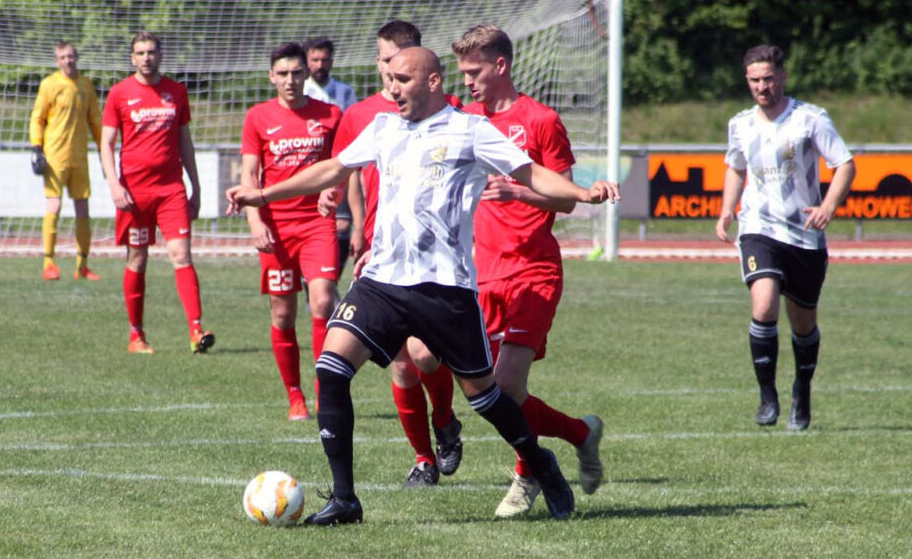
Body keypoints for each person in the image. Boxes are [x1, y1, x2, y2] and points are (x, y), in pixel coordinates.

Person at [226, 47, 621, 525]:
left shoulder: (470, 130)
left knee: (487, 397)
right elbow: (333, 168)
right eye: (389, 78)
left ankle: (541, 463)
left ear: (432, 81)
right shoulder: (383, 127)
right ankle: (346, 500)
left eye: (403, 79)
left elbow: (531, 173)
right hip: (382, 282)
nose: (392, 88)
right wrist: (263, 193)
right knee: (331, 369)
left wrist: (582, 193)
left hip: (445, 291)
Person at [453, 24, 605, 517]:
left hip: (533, 270)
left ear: (500, 66)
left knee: (505, 385)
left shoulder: (540, 120)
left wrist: (519, 191)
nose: (467, 80)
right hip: (482, 273)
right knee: (492, 393)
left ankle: (528, 473)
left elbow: (565, 199)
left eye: (474, 71)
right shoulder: (463, 121)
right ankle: (580, 433)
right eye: (462, 72)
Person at [331, 20, 465, 487]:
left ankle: (445, 420)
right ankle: (424, 459)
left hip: (431, 259)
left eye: (397, 62)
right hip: (380, 254)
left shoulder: (447, 112)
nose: (389, 71)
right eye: (384, 61)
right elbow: (346, 169)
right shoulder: (362, 114)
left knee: (426, 356)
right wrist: (354, 223)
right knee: (402, 362)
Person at [715, 44, 855, 431]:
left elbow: (845, 164)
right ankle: (767, 397)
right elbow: (735, 168)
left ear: (783, 77)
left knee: (803, 324)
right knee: (763, 306)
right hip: (758, 228)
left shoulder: (811, 118)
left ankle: (801, 391)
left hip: (805, 235)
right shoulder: (740, 124)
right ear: (747, 80)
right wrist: (727, 209)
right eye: (755, 80)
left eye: (768, 78)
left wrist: (828, 206)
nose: (762, 87)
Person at [240, 42, 344, 421]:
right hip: (276, 229)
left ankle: (322, 390)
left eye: (296, 73)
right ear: (272, 76)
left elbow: (343, 165)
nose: (290, 80)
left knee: (323, 301)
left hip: (317, 224)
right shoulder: (257, 117)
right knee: (283, 314)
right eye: (282, 74)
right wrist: (255, 223)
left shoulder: (330, 114)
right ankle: (295, 395)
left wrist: (334, 192)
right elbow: (250, 174)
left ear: (306, 74)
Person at [100, 31, 215, 355]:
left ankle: (196, 330)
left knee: (181, 254)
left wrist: (196, 187)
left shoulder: (176, 92)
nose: (146, 57)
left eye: (151, 52)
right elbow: (106, 143)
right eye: (140, 52)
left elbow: (185, 142)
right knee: (138, 258)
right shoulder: (120, 93)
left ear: (160, 55)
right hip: (134, 194)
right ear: (132, 58)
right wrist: (114, 184)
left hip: (171, 190)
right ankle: (136, 336)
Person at [29, 40, 103, 281]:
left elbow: (95, 120)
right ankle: (49, 263)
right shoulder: (49, 84)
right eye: (63, 57)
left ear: (76, 57)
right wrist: (36, 147)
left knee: (83, 207)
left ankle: (82, 266)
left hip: (79, 156)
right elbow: (37, 117)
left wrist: (103, 149)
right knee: (55, 204)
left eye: (70, 56)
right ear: (57, 61)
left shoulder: (86, 84)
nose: (67, 61)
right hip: (54, 156)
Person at [302, 37, 361, 273]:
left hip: (339, 171)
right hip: (309, 171)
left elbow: (354, 131)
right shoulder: (300, 90)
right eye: (315, 59)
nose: (320, 65)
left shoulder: (345, 93)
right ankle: (314, 284)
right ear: (306, 61)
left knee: (342, 224)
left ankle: (330, 280)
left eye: (324, 60)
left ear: (332, 62)